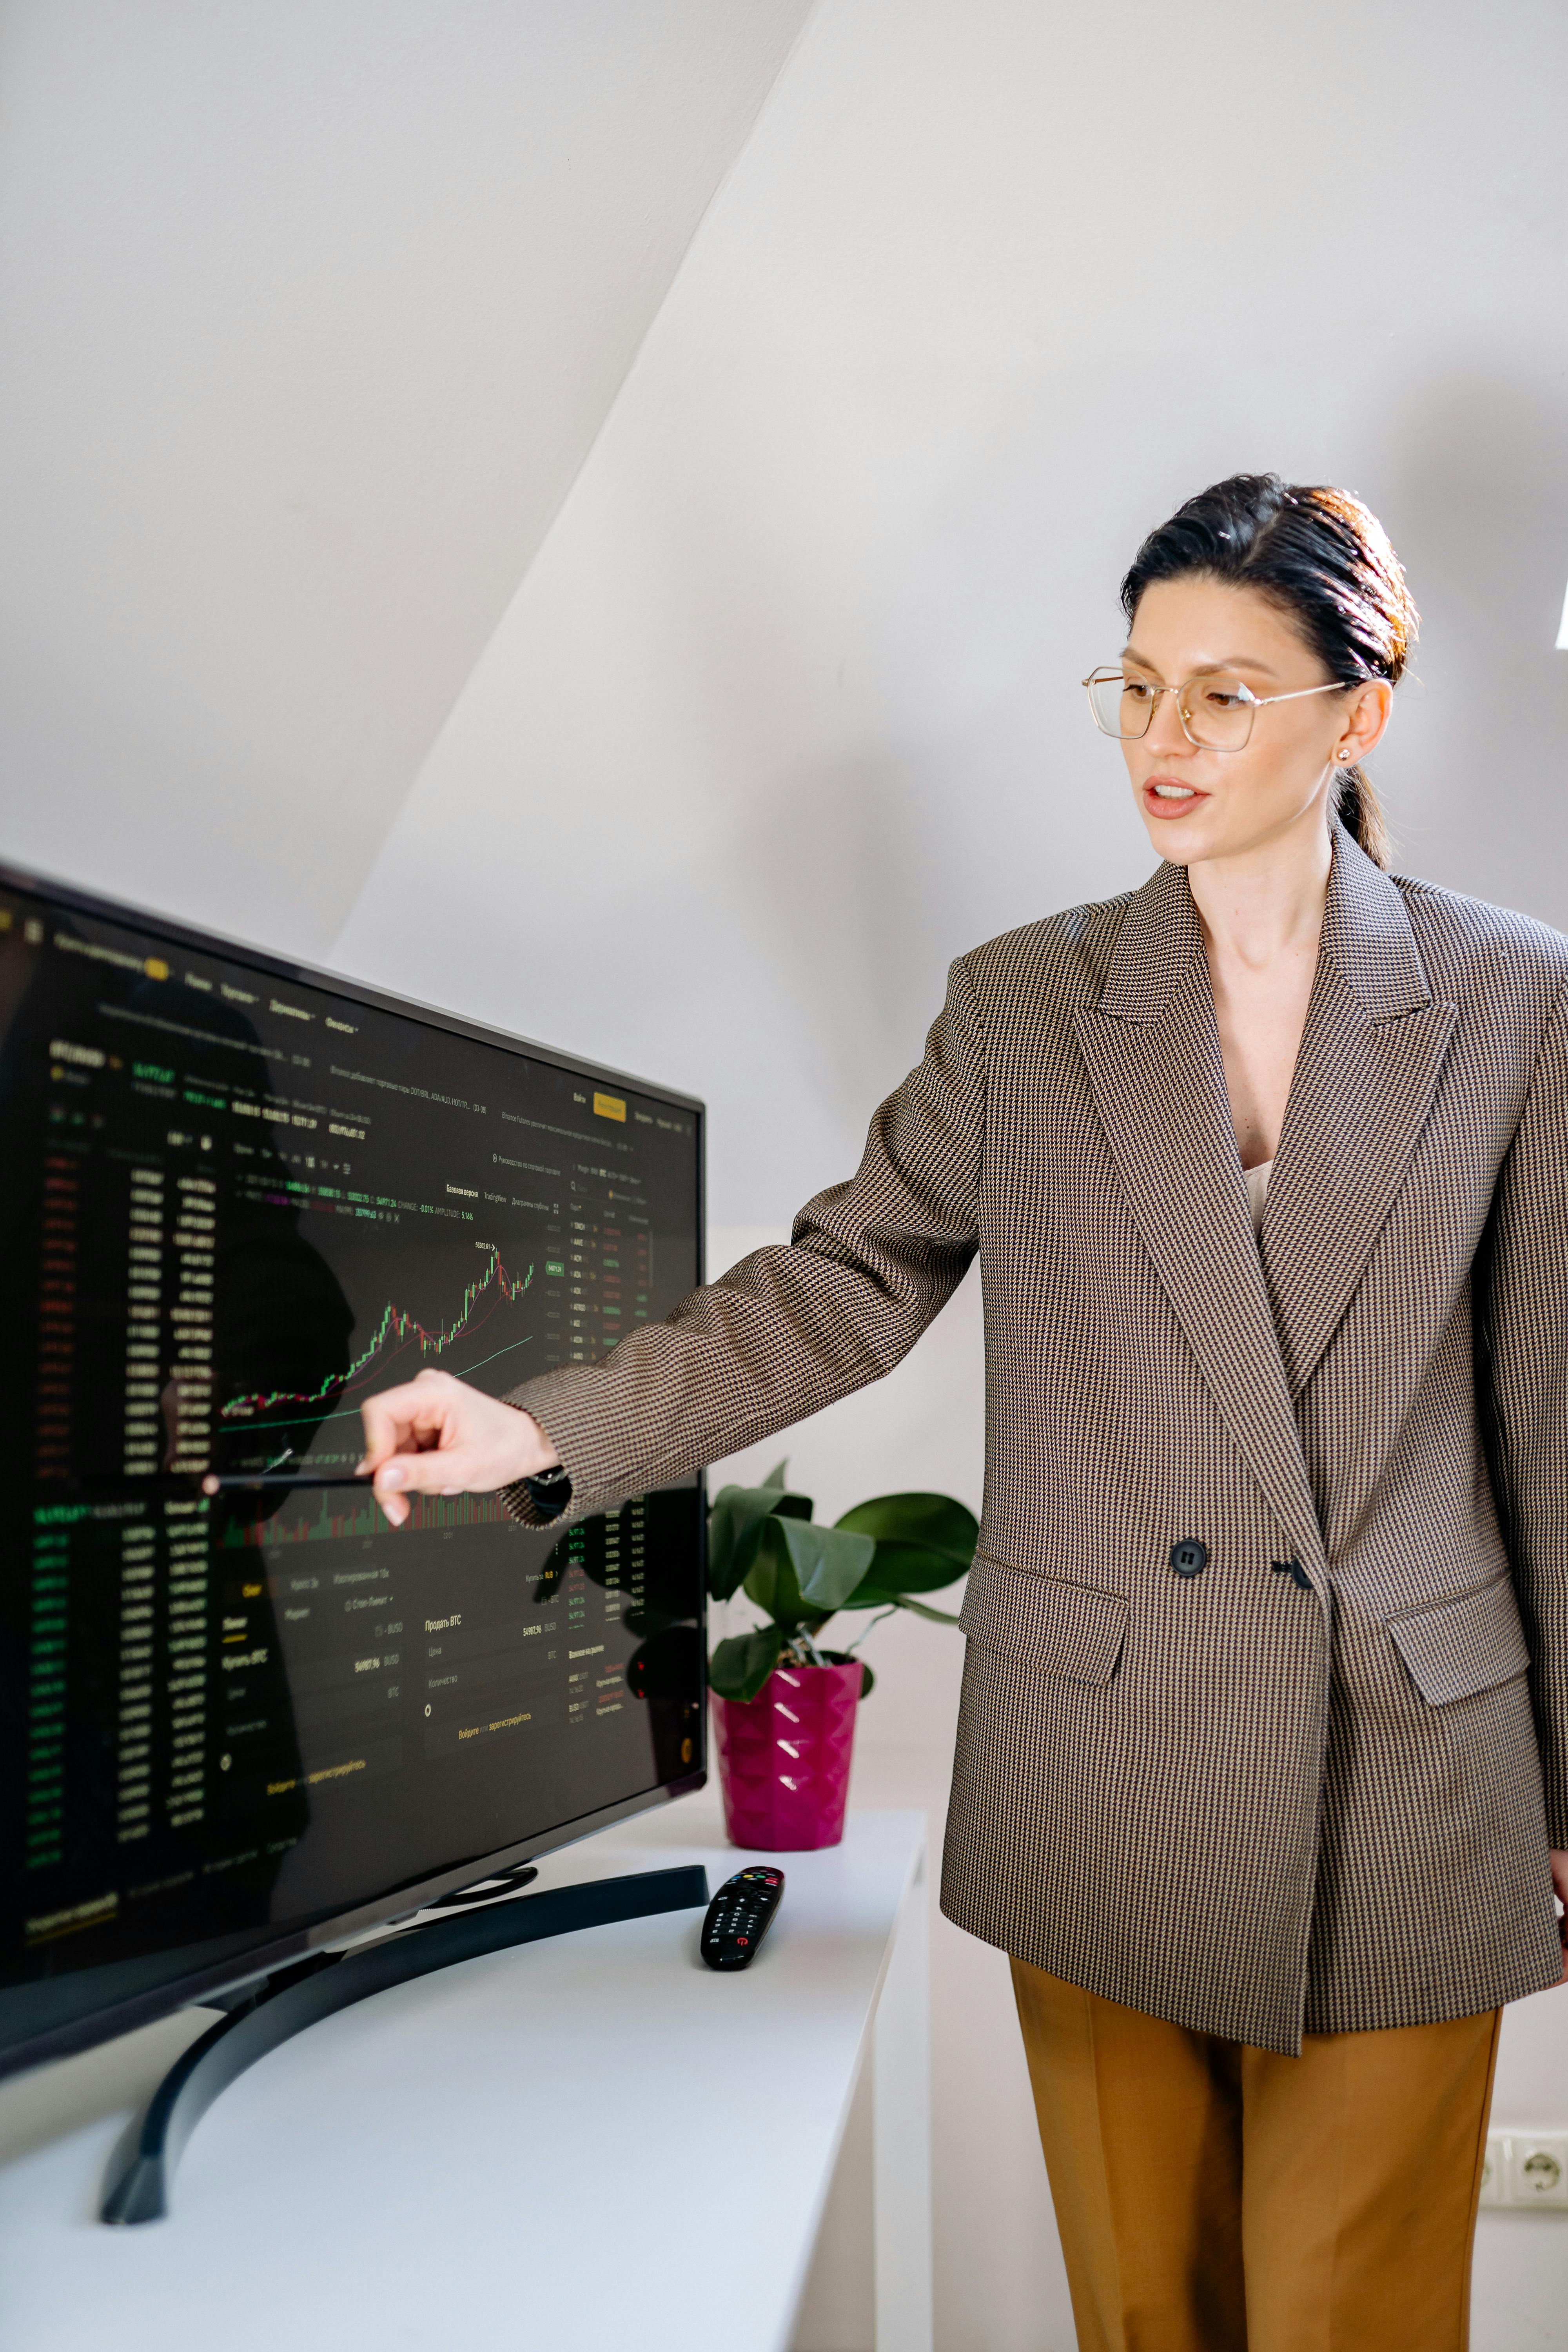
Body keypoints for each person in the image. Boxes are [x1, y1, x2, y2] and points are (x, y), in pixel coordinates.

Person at [358, 474, 1568, 2351]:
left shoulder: (1516, 1004)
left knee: (1361, 2323)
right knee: (1142, 2322)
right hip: (1104, 1758)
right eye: (1138, 684)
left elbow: (1548, 1419)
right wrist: (545, 1432)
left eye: (1225, 695)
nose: (1163, 743)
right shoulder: (1027, 1005)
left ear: (1359, 715)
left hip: (1409, 1766)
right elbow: (841, 1282)